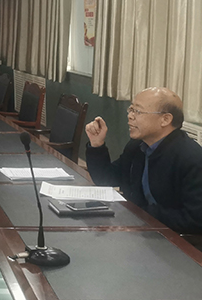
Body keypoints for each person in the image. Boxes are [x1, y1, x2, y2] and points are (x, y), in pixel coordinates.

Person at [85, 87, 202, 234]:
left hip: (174, 238)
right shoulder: (137, 146)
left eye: (138, 111)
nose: (130, 116)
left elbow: (195, 219)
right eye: (131, 109)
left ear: (165, 119)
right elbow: (106, 178)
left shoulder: (191, 158)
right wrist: (97, 145)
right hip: (138, 226)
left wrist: (140, 213)